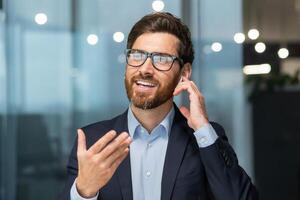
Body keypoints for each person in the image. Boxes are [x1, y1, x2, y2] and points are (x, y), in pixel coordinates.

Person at [60, 12, 258, 200]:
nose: (145, 69)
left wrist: (203, 129)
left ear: (184, 73)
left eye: (162, 59)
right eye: (137, 55)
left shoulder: (204, 139)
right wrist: (83, 192)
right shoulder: (92, 142)